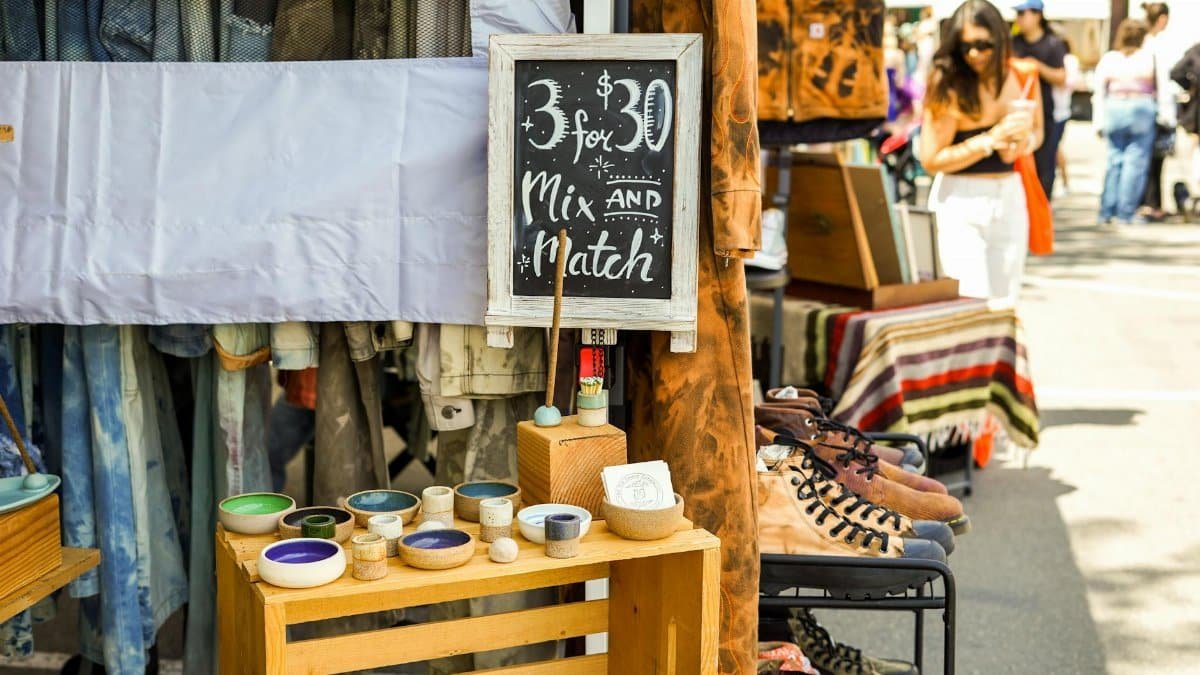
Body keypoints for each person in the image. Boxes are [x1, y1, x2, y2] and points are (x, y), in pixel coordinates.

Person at [919, 0, 1042, 307]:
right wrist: (990, 139)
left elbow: (1038, 132)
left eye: (984, 45)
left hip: (1009, 195)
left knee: (1005, 302)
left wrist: (1023, 142)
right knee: (971, 302)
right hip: (961, 199)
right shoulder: (949, 83)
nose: (975, 54)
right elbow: (931, 159)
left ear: (1000, 39)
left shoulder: (1022, 75)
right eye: (965, 46)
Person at [1094, 19, 1160, 225]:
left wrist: (1098, 120)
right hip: (1141, 107)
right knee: (1135, 161)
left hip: (1115, 107)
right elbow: (1163, 89)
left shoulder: (1110, 59)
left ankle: (1107, 210)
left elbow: (1099, 91)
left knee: (1115, 160)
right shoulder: (1148, 58)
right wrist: (1165, 115)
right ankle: (1125, 211)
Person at [1012, 0, 1068, 199]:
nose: (1018, 18)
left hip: (1044, 114)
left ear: (1037, 15)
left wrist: (1036, 67)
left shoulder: (1053, 43)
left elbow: (1061, 77)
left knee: (1044, 168)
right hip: (1016, 113)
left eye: (1022, 13)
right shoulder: (1014, 42)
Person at [1137, 2, 1176, 221]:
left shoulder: (1142, 42)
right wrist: (1167, 113)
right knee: (1154, 159)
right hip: (1153, 107)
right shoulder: (1155, 45)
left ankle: (1148, 202)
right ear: (1161, 19)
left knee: (1144, 158)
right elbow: (1161, 81)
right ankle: (1151, 203)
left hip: (1140, 105)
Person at [1053, 35, 1084, 193]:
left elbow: (1070, 81)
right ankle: (1064, 181)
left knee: (1055, 148)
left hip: (1060, 110)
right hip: (1056, 109)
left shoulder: (1069, 60)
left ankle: (1064, 181)